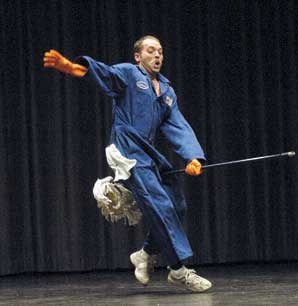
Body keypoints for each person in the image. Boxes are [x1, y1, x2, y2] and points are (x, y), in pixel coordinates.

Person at [43, 35, 212, 292]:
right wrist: (68, 66)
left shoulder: (166, 90)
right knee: (160, 205)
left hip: (148, 152)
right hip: (128, 150)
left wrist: (193, 157)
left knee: (177, 204)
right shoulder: (129, 74)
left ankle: (144, 254)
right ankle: (178, 270)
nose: (157, 56)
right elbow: (103, 75)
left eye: (160, 52)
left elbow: (178, 125)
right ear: (138, 56)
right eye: (151, 51)